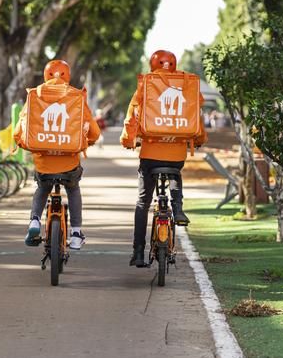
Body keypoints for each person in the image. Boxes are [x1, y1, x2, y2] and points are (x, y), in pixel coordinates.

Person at [120, 50, 208, 267]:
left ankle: (138, 252)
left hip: (149, 154)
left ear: (152, 64)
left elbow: (132, 116)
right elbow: (196, 115)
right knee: (175, 172)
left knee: (143, 202)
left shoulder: (147, 84)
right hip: (176, 154)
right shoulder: (187, 84)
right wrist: (199, 139)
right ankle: (177, 208)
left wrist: (128, 140)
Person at [14, 60, 100, 250]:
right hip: (69, 164)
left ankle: (34, 221)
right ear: (67, 76)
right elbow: (94, 132)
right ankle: (76, 233)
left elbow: (19, 130)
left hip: (44, 164)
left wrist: (21, 141)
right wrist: (88, 141)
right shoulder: (76, 97)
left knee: (42, 188)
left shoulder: (35, 95)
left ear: (46, 75)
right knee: (73, 188)